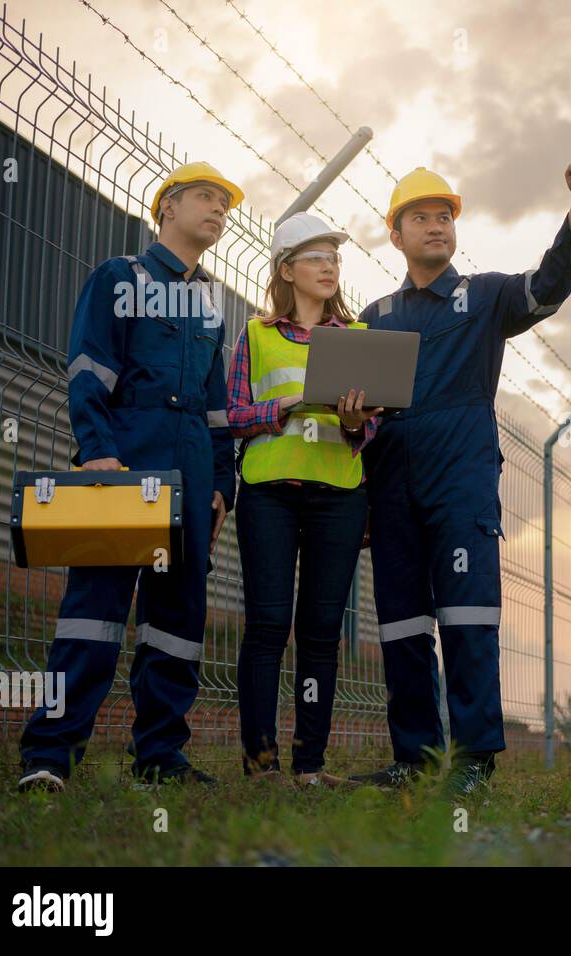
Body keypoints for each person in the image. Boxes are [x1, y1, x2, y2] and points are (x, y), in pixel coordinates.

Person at [346, 135, 571, 797]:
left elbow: (547, 289)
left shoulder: (486, 298)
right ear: (395, 234)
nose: (437, 226)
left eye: (446, 216)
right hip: (393, 483)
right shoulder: (376, 317)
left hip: (460, 478)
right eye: (422, 218)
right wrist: (352, 429)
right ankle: (415, 760)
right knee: (402, 626)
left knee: (467, 618)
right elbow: (359, 422)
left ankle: (473, 763)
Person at [18, 162, 242, 790]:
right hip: (125, 463)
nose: (218, 209)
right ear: (166, 207)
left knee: (176, 619)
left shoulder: (207, 305)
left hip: (193, 471)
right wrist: (95, 450)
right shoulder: (121, 277)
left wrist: (222, 482)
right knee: (94, 612)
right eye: (205, 197)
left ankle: (159, 757)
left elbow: (218, 405)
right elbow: (88, 367)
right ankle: (50, 755)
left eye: (224, 203)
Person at [227, 212, 382, 787]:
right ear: (286, 269)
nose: (329, 268)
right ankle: (260, 763)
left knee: (321, 633)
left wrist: (352, 422)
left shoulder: (360, 340)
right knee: (267, 626)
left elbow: (370, 429)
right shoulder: (257, 335)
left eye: (335, 259)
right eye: (317, 258)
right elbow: (233, 415)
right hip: (269, 493)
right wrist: (282, 409)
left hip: (339, 497)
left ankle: (309, 766)